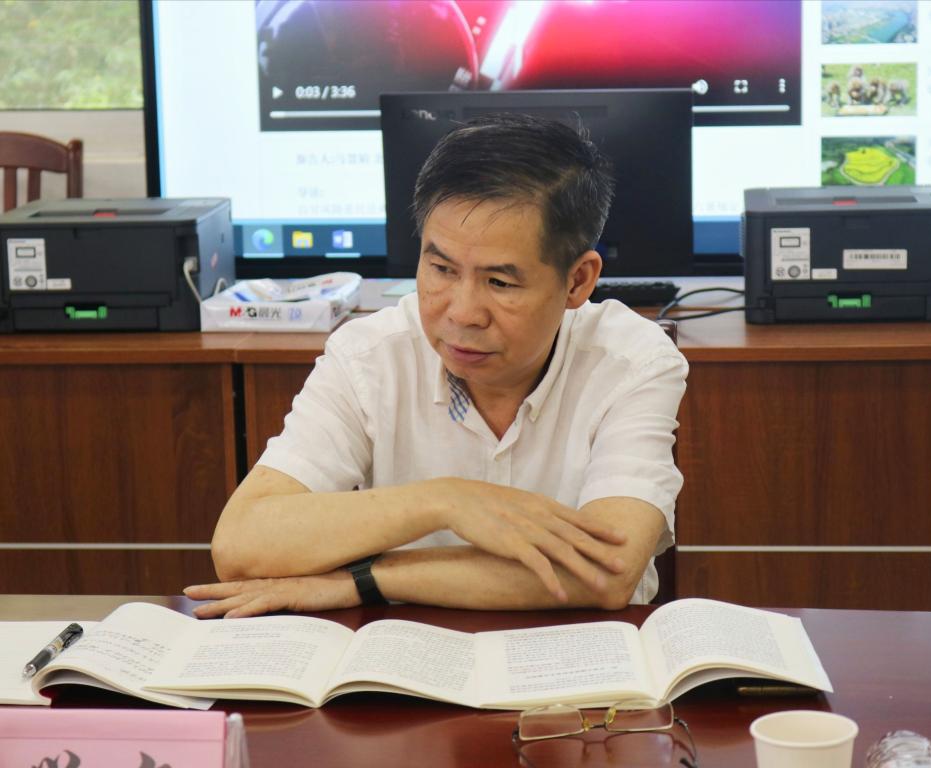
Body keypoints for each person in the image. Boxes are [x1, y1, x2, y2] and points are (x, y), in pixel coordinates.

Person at [186, 113, 688, 617]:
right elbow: (241, 545)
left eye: (500, 283)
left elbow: (605, 572)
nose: (462, 314)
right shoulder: (369, 356)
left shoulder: (632, 361)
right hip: (407, 650)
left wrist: (365, 580)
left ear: (578, 281)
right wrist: (445, 501)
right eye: (442, 269)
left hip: (582, 656)